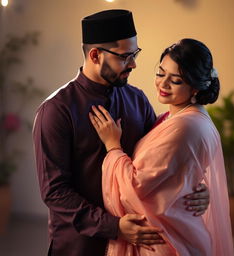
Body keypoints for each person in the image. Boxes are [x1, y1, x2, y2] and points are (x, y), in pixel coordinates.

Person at [33, 10, 210, 256]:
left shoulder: (136, 99)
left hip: (135, 246)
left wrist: (197, 189)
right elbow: (55, 191)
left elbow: (160, 165)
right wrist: (114, 227)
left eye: (135, 54)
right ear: (95, 55)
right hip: (79, 246)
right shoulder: (57, 110)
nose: (134, 64)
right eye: (126, 56)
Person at [89, 39, 234, 256]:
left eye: (175, 80)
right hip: (174, 231)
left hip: (162, 241)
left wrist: (112, 146)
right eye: (160, 73)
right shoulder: (177, 117)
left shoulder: (185, 126)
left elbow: (136, 186)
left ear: (195, 86)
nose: (163, 84)